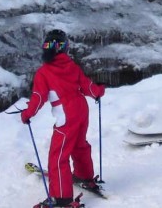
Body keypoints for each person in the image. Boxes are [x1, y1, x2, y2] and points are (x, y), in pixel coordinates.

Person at [21, 29, 105, 208]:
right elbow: (87, 86)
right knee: (79, 145)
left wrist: (27, 114)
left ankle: (61, 198)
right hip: (81, 110)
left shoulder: (44, 72)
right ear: (65, 48)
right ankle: (84, 176)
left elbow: (38, 98)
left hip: (66, 116)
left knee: (58, 156)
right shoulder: (72, 66)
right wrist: (98, 92)